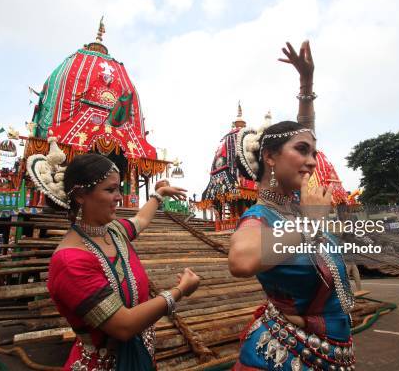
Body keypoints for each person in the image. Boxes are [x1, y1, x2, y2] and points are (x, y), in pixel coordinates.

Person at [229, 41, 356, 370]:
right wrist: (311, 221)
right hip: (284, 359)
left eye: (314, 153)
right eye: (302, 152)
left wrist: (306, 85)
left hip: (328, 352)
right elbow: (240, 262)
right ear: (270, 157)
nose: (312, 162)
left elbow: (305, 133)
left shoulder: (296, 207)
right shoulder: (261, 217)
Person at [46, 154, 200, 370]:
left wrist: (159, 194)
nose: (119, 197)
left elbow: (141, 219)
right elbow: (124, 326)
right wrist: (179, 291)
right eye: (110, 190)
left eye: (119, 189)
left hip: (139, 357)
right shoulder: (70, 261)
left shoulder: (114, 231)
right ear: (81, 195)